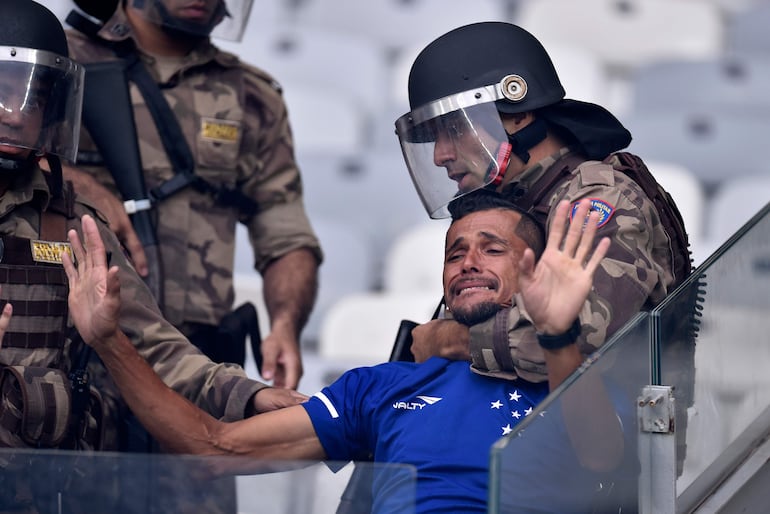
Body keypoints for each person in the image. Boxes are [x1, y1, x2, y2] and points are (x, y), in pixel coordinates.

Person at [53, 190, 632, 513]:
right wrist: (108, 340)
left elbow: (602, 458)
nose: (468, 263)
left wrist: (559, 335)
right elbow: (212, 446)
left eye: (492, 249)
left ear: (530, 267)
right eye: (456, 253)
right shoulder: (386, 385)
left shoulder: (571, 373)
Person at [0, 0, 302, 478]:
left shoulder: (75, 225)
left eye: (33, 98)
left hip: (48, 489)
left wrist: (251, 395)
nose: (14, 113)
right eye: (1, 89)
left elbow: (155, 348)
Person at [394, 22, 693, 389]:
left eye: (455, 129)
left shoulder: (598, 197)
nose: (440, 155)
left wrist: (451, 340)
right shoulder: (505, 203)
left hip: (606, 436)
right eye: (433, 138)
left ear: (518, 114)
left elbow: (577, 340)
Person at [61, 0, 322, 389]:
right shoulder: (58, 62)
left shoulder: (252, 96)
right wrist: (77, 183)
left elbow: (285, 233)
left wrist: (285, 325)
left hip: (196, 368)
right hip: (76, 351)